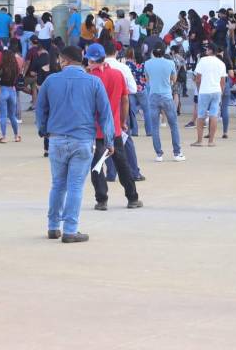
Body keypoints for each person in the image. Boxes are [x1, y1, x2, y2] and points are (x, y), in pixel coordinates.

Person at [36, 45, 114, 244]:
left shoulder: (50, 81)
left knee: (57, 184)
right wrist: (109, 140)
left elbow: (41, 108)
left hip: (56, 139)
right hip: (83, 140)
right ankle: (70, 229)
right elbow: (105, 114)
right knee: (75, 186)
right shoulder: (94, 82)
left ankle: (53, 226)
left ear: (64, 60)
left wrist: (43, 130)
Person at [86, 44, 142, 211]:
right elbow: (125, 101)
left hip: (95, 130)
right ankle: (132, 197)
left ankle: (102, 199)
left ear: (90, 59)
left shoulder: (89, 78)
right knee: (122, 163)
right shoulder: (118, 74)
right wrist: (122, 121)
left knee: (97, 165)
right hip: (114, 128)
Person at [144, 44, 185, 162]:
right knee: (173, 125)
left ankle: (159, 154)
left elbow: (147, 79)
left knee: (155, 127)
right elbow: (174, 79)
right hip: (166, 95)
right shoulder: (170, 63)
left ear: (153, 52)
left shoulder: (147, 63)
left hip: (153, 96)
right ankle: (177, 153)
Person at [191, 43, 226, 147]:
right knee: (214, 115)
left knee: (201, 115)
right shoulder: (221, 63)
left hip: (204, 90)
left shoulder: (203, 61)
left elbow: (198, 78)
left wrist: (199, 88)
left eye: (207, 49)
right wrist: (221, 92)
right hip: (216, 90)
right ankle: (211, 141)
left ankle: (199, 140)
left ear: (210, 50)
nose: (206, 51)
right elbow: (223, 81)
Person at [0, 48, 21, 143]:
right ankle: (16, 136)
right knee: (12, 116)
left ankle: (4, 137)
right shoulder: (15, 67)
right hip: (12, 91)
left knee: (3, 115)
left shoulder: (1, 67)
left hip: (3, 90)